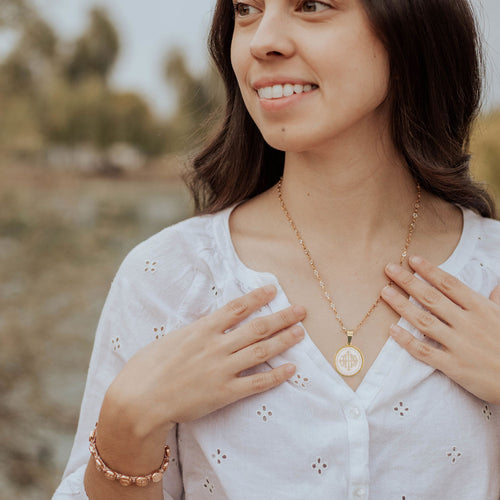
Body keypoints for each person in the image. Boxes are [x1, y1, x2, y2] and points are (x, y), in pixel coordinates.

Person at [53, 0, 500, 498]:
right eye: (246, 10)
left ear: (412, 25)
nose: (262, 40)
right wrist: (125, 425)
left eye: (310, 5)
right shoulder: (169, 277)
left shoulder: (492, 275)